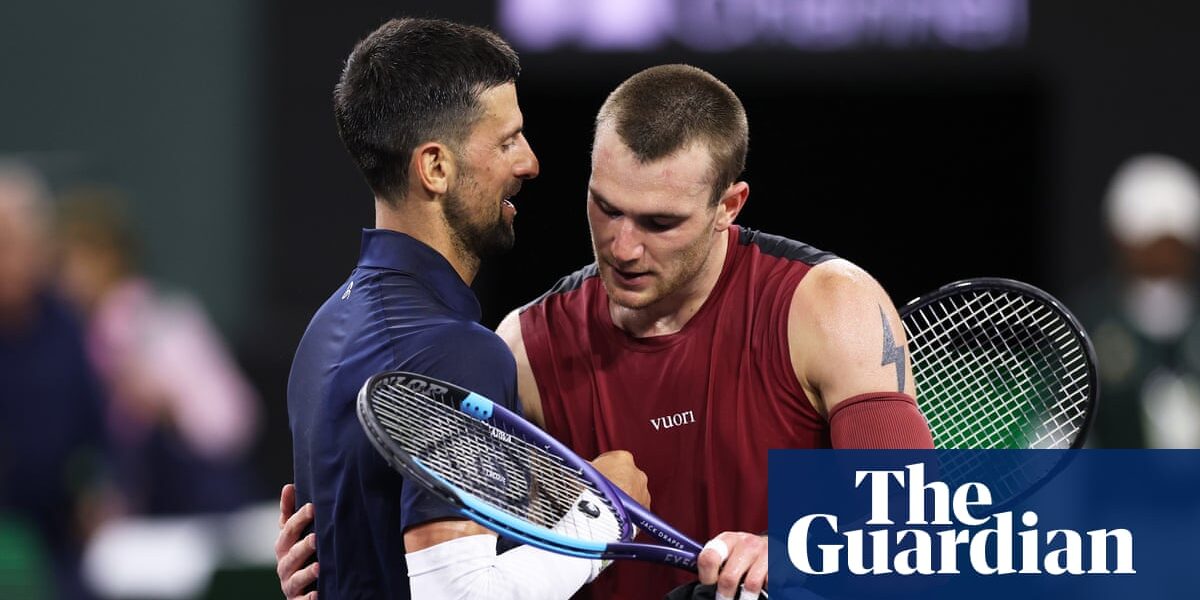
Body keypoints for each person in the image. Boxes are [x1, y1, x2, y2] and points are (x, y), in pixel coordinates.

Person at [280, 62, 935, 599]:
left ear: (728, 207)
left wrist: (791, 554)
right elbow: (472, 578)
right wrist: (347, 570)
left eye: (659, 222)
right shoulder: (525, 349)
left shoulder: (828, 308)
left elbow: (916, 529)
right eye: (606, 207)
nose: (622, 247)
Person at [284, 17, 649, 600]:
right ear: (435, 168)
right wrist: (604, 515)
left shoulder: (326, 330)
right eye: (507, 142)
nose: (529, 162)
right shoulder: (457, 354)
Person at [56, 187, 261, 515]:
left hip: (189, 509)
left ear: (110, 256)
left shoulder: (156, 320)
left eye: (71, 260)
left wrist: (169, 408)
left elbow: (232, 421)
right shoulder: (80, 332)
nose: (64, 277)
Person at [0, 161, 111, 600]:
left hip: (59, 545)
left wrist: (97, 489)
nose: (19, 259)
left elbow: (95, 434)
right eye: (7, 243)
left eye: (29, 243)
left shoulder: (64, 325)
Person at [1075, 153, 1200, 448]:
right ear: (1120, 241)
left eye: (1173, 243)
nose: (1162, 258)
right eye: (1148, 244)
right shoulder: (1088, 323)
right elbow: (1056, 429)